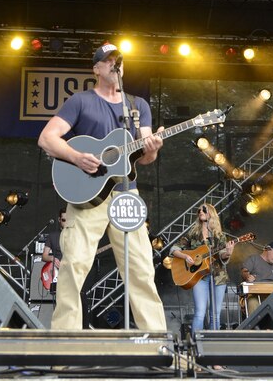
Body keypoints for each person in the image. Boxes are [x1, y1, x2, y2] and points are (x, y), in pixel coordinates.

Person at [37, 43, 167, 331]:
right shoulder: (80, 101)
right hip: (89, 198)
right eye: (108, 61)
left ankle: (158, 343)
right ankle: (64, 347)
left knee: (141, 269)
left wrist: (153, 148)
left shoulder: (138, 106)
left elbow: (145, 157)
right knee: (73, 269)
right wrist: (76, 157)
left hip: (126, 196)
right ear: (96, 69)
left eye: (118, 60)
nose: (115, 64)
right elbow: (47, 138)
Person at [170, 203, 235, 331]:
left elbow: (222, 256)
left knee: (215, 314)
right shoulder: (193, 233)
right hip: (199, 277)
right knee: (200, 313)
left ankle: (213, 345)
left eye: (203, 210)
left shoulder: (219, 236)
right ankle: (195, 345)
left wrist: (228, 253)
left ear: (211, 213)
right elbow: (174, 248)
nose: (200, 212)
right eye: (199, 210)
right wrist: (185, 257)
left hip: (218, 276)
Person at [240, 241, 273, 315]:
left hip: (271, 297)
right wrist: (248, 276)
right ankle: (256, 326)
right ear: (268, 249)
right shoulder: (254, 259)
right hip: (254, 295)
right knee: (252, 302)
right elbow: (244, 271)